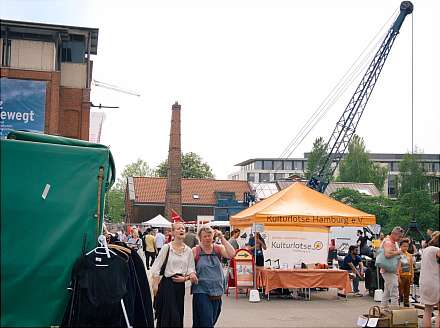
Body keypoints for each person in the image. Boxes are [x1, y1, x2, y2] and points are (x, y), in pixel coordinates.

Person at [151, 222, 198, 328]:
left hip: (180, 287)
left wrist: (186, 278)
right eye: (178, 229)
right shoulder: (166, 248)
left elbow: (191, 269)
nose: (181, 230)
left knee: (178, 314)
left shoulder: (188, 251)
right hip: (167, 285)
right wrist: (155, 287)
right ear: (172, 232)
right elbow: (156, 268)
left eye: (183, 228)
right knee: (169, 316)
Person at [192, 224, 236, 328]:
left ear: (213, 236)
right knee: (206, 321)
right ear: (200, 238)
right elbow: (189, 267)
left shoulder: (218, 249)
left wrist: (222, 238)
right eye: (205, 236)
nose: (207, 238)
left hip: (217, 290)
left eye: (209, 235)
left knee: (212, 319)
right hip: (201, 290)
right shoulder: (195, 250)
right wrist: (191, 274)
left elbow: (232, 254)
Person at [420, 231, 440, 328]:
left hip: (424, 282)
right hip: (435, 282)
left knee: (427, 311)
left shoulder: (426, 250)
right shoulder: (437, 250)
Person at [381, 226, 404, 308]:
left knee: (387, 291)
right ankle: (395, 312)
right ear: (394, 234)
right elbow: (387, 254)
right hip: (389, 270)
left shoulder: (392, 242)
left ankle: (383, 308)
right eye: (399, 236)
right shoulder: (388, 242)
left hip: (389, 270)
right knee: (394, 292)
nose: (400, 238)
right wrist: (399, 252)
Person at [398, 238, 414, 307]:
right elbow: (397, 267)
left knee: (407, 292)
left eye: (407, 246)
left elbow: (411, 267)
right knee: (399, 292)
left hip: (408, 275)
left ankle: (406, 305)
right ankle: (397, 306)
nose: (405, 247)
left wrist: (412, 276)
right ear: (400, 246)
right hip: (401, 276)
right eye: (404, 246)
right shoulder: (398, 254)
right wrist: (398, 277)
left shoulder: (409, 255)